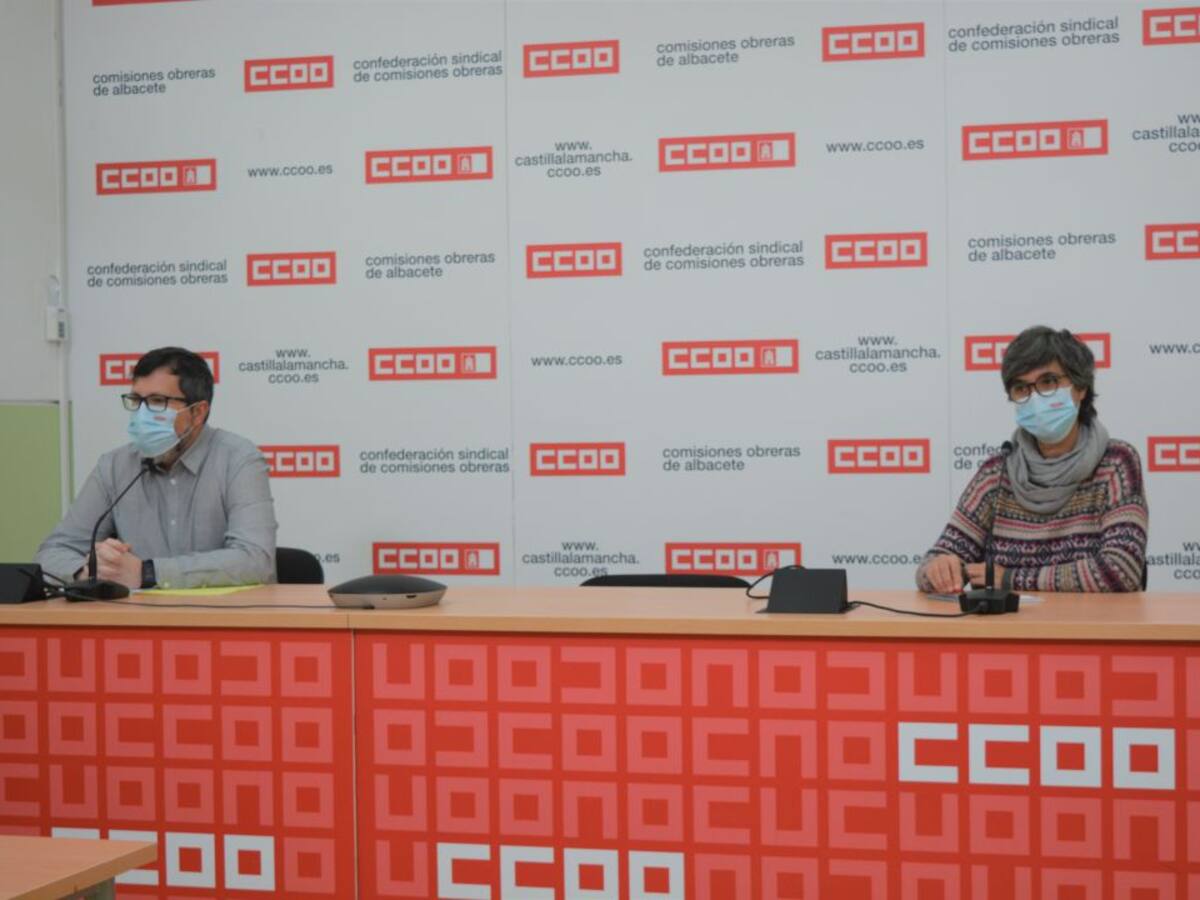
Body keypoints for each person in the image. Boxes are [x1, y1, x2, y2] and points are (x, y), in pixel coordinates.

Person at [917, 326, 1147, 594]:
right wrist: (940, 569)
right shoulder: (997, 472)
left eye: (1048, 382)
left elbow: (1121, 571)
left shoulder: (1116, 463)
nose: (1035, 398)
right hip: (1012, 623)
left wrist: (1010, 579)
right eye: (1022, 388)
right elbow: (929, 568)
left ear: (1080, 387)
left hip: (1093, 621)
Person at [37, 347, 277, 590]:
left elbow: (256, 560)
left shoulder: (238, 460)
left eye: (157, 401)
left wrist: (148, 573)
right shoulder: (115, 466)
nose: (142, 415)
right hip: (135, 614)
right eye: (136, 401)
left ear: (197, 412)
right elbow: (54, 552)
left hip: (225, 613)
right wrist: (89, 572)